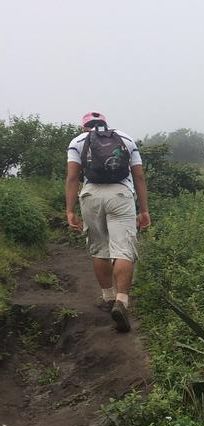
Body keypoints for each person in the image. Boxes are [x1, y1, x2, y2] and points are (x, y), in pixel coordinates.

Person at [65, 111, 151, 333]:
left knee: (100, 247)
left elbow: (73, 177)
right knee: (123, 249)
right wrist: (144, 210)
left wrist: (69, 211)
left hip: (91, 195)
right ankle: (121, 301)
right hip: (121, 195)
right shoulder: (126, 138)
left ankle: (107, 297)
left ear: (85, 127)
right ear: (105, 124)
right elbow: (139, 176)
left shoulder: (77, 141)